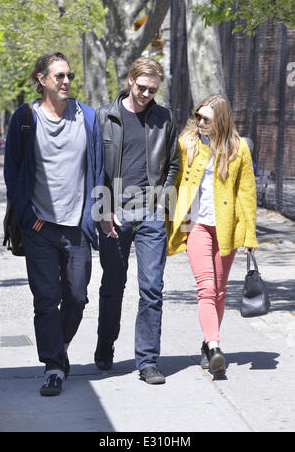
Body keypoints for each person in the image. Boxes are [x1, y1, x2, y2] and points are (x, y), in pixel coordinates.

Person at [4, 52, 104, 396]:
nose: (66, 81)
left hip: (77, 226)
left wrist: (97, 211)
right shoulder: (25, 118)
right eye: (59, 76)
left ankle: (56, 352)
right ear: (42, 80)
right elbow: (13, 170)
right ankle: (53, 367)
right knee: (46, 300)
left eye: (69, 76)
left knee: (76, 296)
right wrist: (26, 216)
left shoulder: (87, 117)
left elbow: (99, 167)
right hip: (39, 227)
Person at [94, 56, 179, 384]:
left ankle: (147, 361)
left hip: (151, 215)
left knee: (152, 288)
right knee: (113, 285)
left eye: (152, 89)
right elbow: (95, 167)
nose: (146, 94)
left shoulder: (164, 118)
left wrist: (161, 200)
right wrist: (103, 210)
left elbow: (173, 164)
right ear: (130, 81)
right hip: (113, 213)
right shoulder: (105, 116)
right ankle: (105, 346)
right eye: (141, 87)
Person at [167, 94, 258, 377]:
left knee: (219, 290)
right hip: (195, 226)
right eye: (197, 116)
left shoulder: (238, 148)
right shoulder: (187, 144)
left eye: (206, 118)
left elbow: (246, 193)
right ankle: (216, 346)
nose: (200, 122)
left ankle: (208, 344)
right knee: (206, 287)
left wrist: (250, 237)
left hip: (226, 228)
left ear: (221, 120)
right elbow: (172, 177)